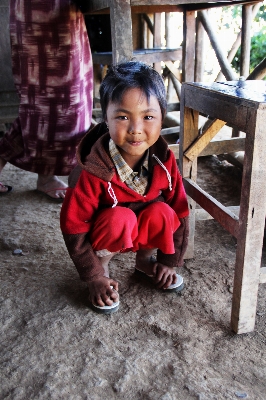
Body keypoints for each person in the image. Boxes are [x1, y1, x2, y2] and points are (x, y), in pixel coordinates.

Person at [60, 61, 189, 314]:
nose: (135, 130)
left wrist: (168, 260)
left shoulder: (164, 160)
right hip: (109, 235)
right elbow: (73, 226)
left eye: (148, 117)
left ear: (162, 117)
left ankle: (144, 262)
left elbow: (181, 209)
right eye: (122, 116)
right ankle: (103, 270)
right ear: (105, 119)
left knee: (163, 212)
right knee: (120, 217)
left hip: (142, 232)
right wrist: (92, 274)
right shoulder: (91, 170)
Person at [0, 0, 93, 199]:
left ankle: (46, 175)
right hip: (46, 9)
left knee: (43, 99)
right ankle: (46, 176)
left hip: (42, 9)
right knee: (56, 98)